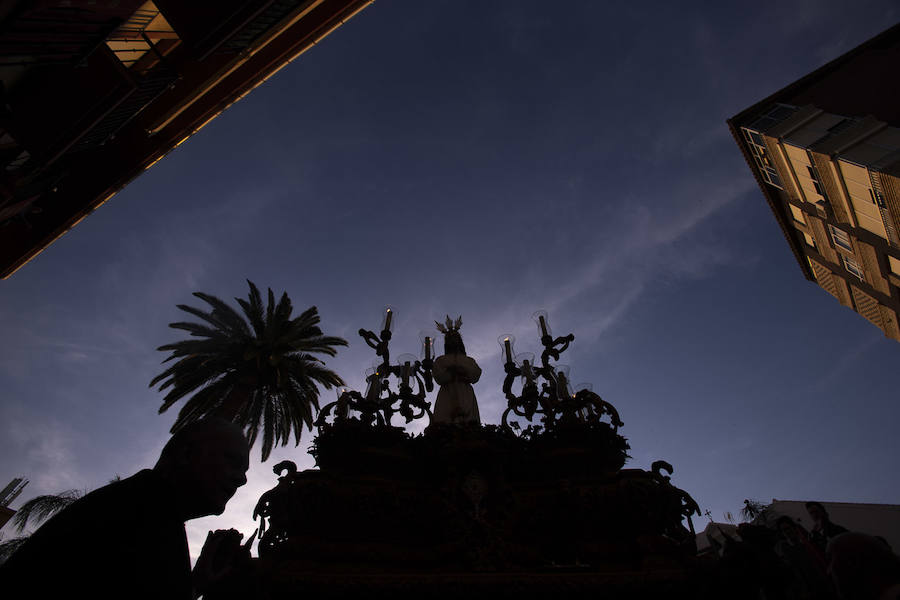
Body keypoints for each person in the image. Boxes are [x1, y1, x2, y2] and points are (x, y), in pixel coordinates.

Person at [0, 418, 251, 599]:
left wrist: (195, 585)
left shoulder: (147, 509)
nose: (241, 479)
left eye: (244, 471)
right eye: (233, 462)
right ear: (186, 454)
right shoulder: (142, 516)